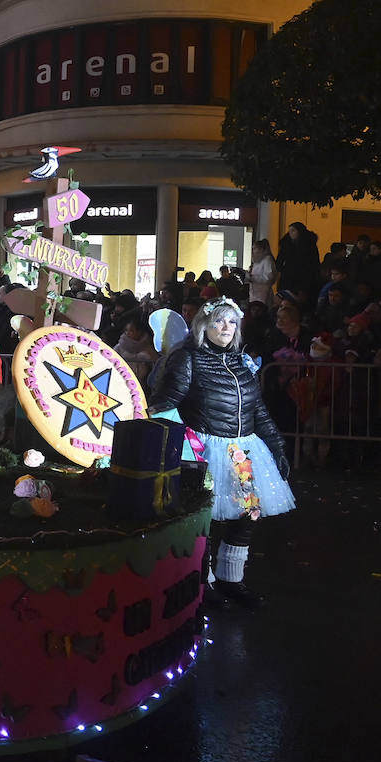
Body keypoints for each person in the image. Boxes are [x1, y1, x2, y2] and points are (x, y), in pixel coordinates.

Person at [150, 298, 294, 609]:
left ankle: (232, 579)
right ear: (204, 324)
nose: (226, 327)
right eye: (219, 320)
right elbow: (163, 405)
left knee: (245, 515)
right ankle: (205, 581)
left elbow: (259, 410)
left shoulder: (242, 363)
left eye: (232, 322)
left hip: (244, 452)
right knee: (207, 519)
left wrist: (278, 447)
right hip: (205, 452)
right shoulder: (187, 359)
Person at [248, 240, 278, 306]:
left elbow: (269, 278)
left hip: (263, 295)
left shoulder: (267, 260)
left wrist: (252, 278)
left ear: (261, 249)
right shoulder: (256, 262)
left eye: (255, 248)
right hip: (254, 295)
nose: (253, 251)